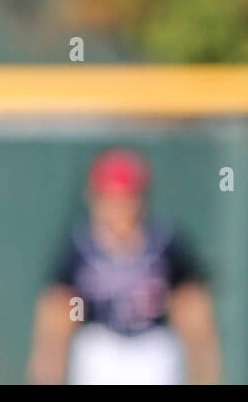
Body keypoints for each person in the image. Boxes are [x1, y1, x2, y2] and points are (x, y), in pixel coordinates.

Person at [26, 148, 221, 384]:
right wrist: (47, 374)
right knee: (93, 348)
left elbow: (194, 315)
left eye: (126, 198)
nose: (119, 208)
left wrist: (206, 373)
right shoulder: (79, 249)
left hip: (153, 353)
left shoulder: (166, 245)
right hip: (100, 353)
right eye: (111, 198)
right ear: (95, 198)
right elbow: (55, 321)